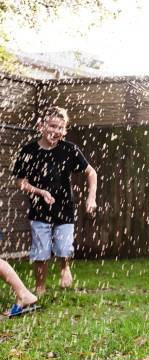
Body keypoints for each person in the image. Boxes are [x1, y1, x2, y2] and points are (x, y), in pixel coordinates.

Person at [12, 106, 97, 295]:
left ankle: (64, 267)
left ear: (64, 130)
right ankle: (40, 287)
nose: (56, 131)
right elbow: (20, 182)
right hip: (39, 210)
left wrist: (91, 198)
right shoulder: (29, 151)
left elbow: (91, 172)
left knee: (64, 247)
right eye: (52, 126)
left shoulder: (69, 150)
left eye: (60, 128)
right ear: (41, 126)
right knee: (41, 252)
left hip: (64, 209)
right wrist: (40, 192)